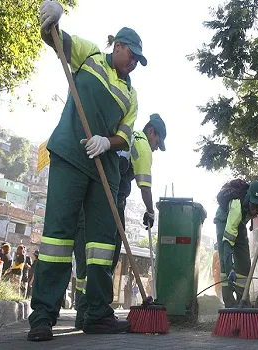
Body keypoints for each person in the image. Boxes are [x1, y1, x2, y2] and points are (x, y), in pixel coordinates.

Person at [29, 0, 146, 341]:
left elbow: (126, 135)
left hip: (105, 170)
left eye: (139, 59)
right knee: (57, 236)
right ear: (119, 47)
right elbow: (57, 41)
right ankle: (43, 315)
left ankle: (95, 312)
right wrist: (51, 21)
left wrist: (107, 142)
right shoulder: (91, 56)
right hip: (71, 154)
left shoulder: (131, 93)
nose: (135, 62)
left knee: (100, 246)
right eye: (133, 55)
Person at [73, 114, 166, 329]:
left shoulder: (126, 136)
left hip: (93, 196)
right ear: (151, 132)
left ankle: (84, 313)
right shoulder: (142, 144)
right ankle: (98, 313)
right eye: (157, 142)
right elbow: (145, 186)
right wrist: (151, 212)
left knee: (89, 257)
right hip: (111, 199)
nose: (155, 148)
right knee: (108, 254)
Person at [213, 181, 258, 307]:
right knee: (226, 268)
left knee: (244, 263)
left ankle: (242, 300)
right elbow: (228, 241)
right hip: (224, 222)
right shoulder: (236, 208)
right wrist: (230, 267)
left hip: (240, 223)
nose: (255, 210)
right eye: (253, 206)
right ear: (248, 199)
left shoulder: (256, 205)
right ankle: (230, 303)